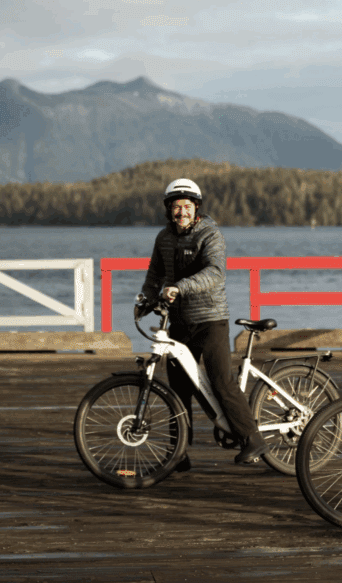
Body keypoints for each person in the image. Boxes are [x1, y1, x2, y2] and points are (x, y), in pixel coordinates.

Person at [135, 178, 269, 468]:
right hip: (179, 323)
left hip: (210, 320)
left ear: (196, 208)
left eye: (186, 206)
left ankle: (252, 439)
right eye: (175, 207)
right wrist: (144, 300)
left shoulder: (211, 234)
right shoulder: (163, 238)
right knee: (179, 389)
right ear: (168, 210)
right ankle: (178, 453)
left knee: (221, 381)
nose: (181, 212)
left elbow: (215, 272)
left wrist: (180, 287)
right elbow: (154, 275)